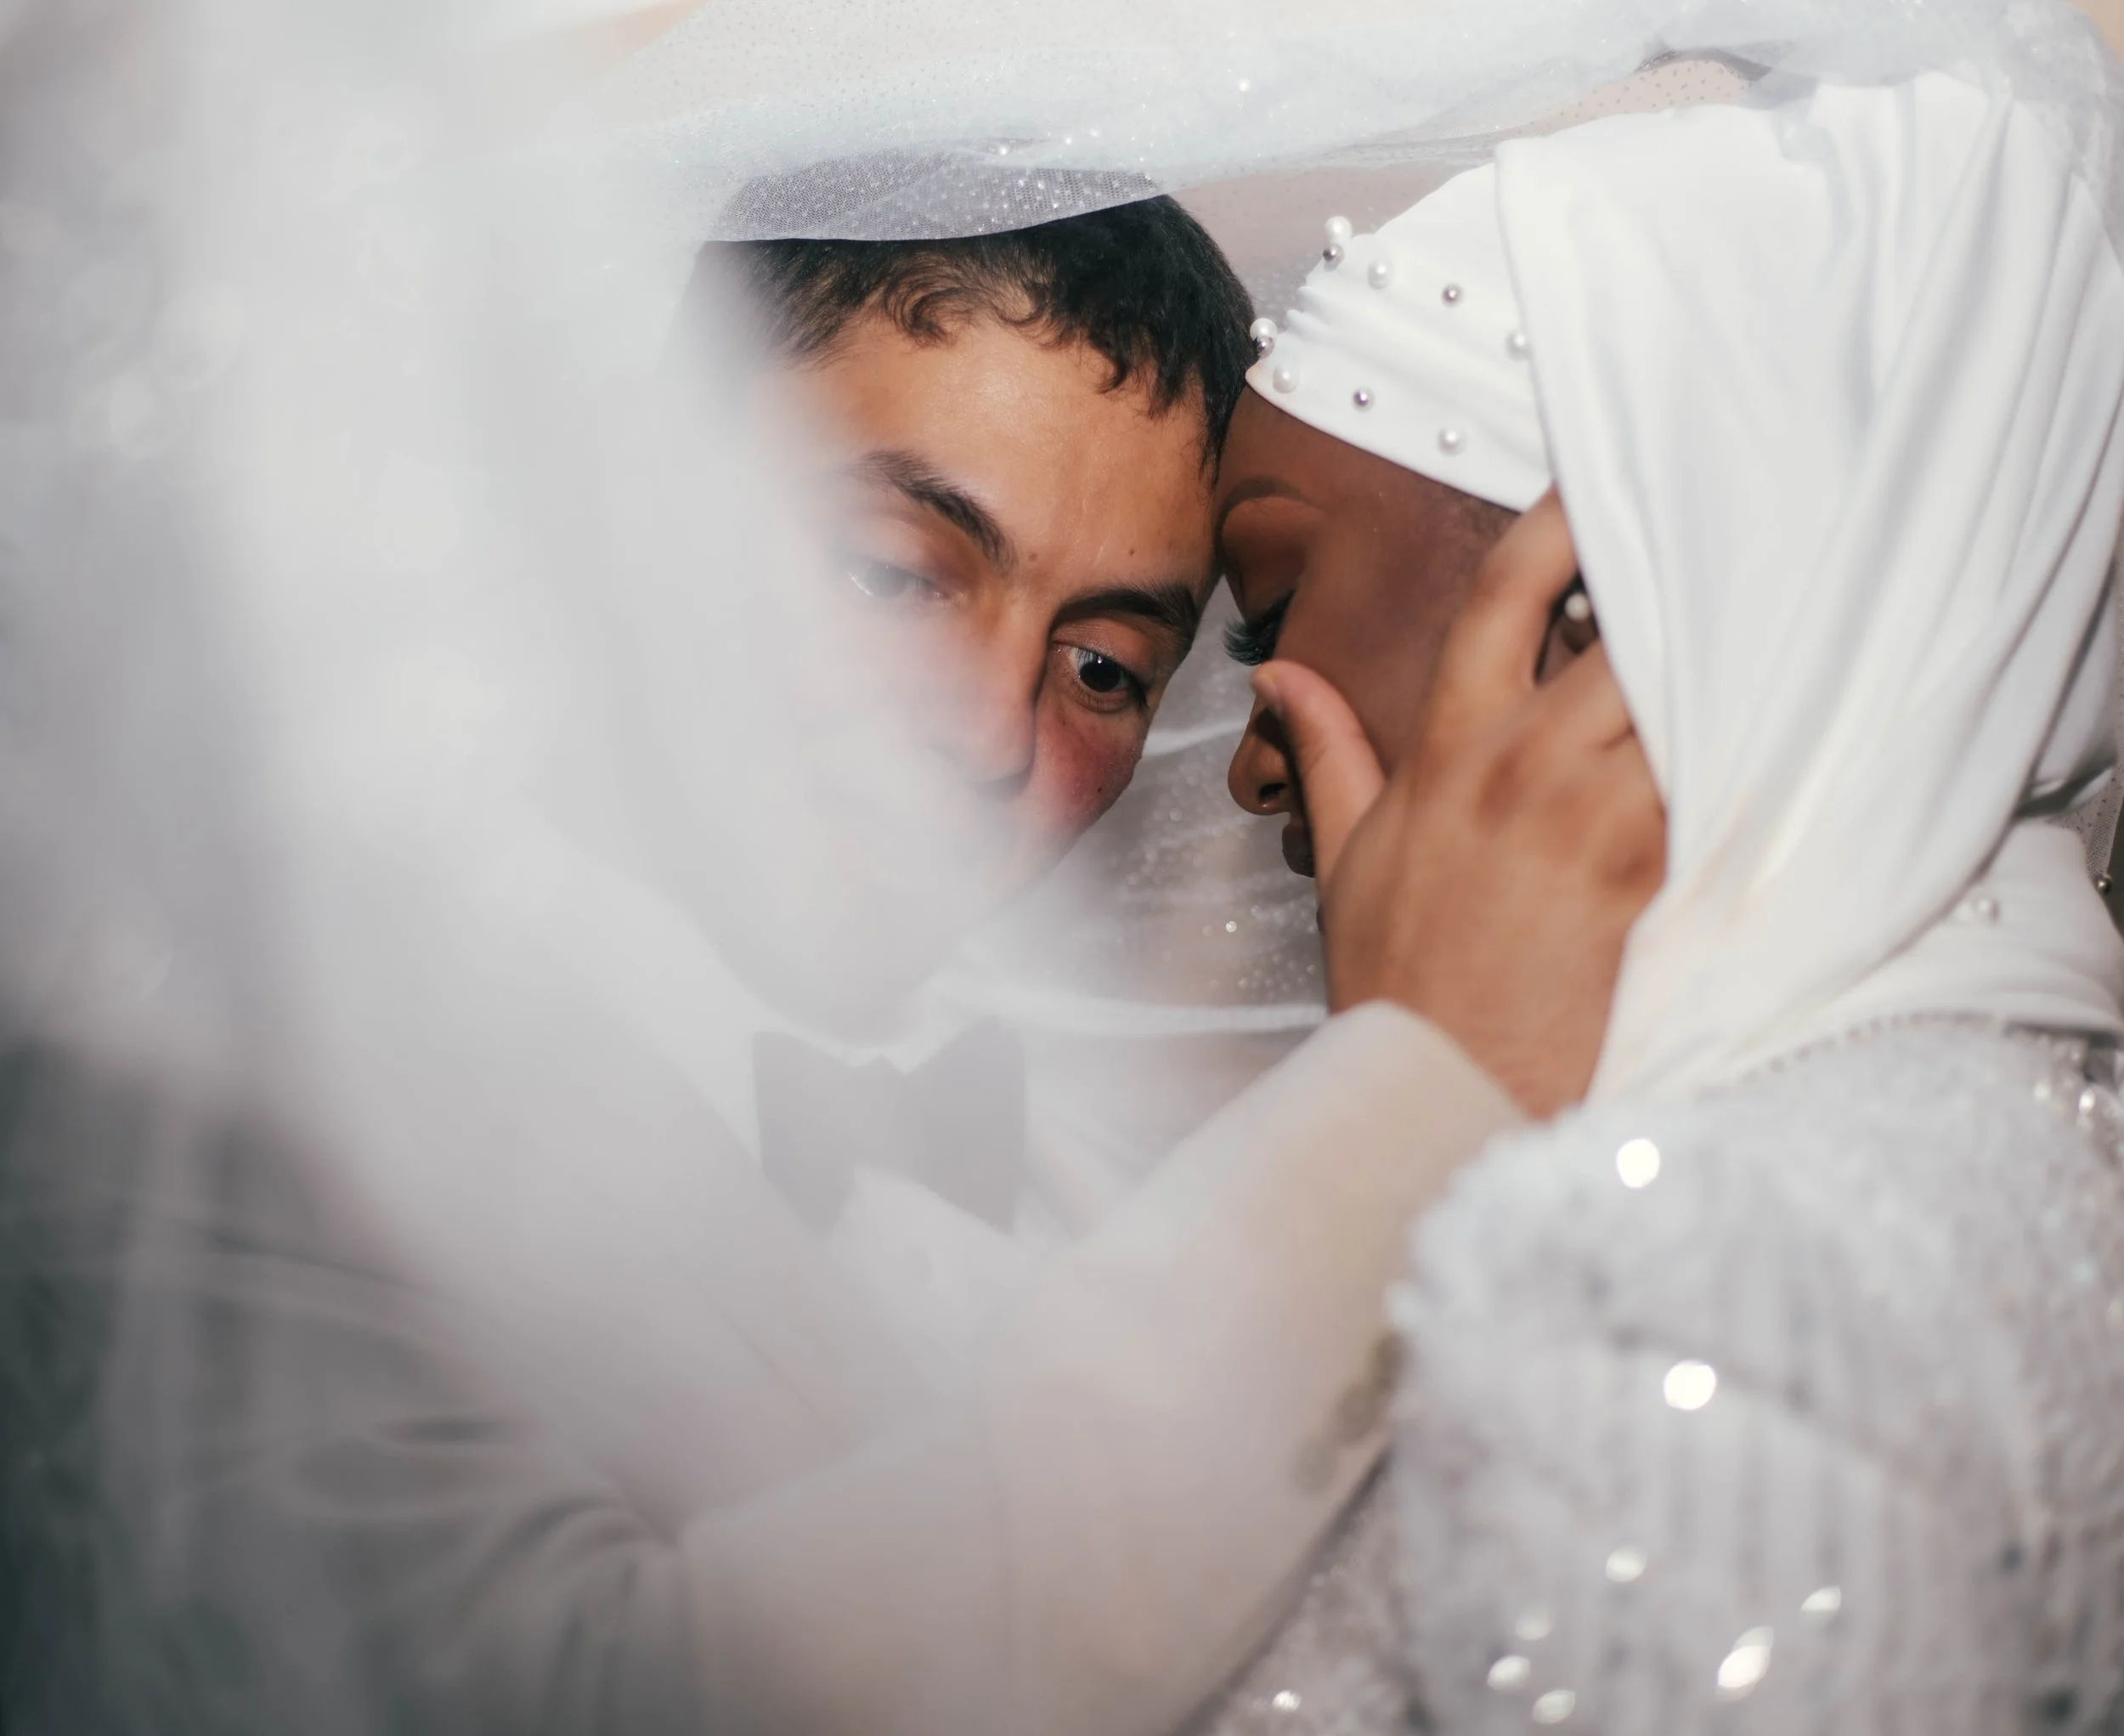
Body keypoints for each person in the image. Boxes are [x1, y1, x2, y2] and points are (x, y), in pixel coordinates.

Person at [0, 6, 1659, 1735]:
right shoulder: (196, 1109)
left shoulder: (1098, 1171)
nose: (985, 733)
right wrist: (1412, 1104)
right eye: (890, 570)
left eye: (1103, 664)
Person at [1199, 61, 2124, 1733]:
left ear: (1588, 622)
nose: (1247, 759)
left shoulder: (1681, 1262)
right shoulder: (1995, 1126)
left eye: (1266, 609)